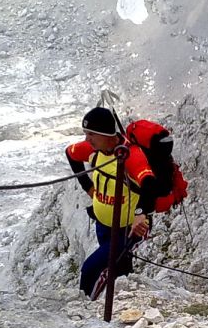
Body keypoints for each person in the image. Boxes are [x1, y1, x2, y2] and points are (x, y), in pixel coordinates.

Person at [66, 105, 157, 298]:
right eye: (85, 133)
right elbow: (70, 152)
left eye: (91, 134)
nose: (86, 139)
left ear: (107, 134)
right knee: (120, 268)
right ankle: (124, 300)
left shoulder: (130, 156)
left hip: (126, 230)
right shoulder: (95, 150)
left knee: (91, 268)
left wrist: (141, 213)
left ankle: (83, 306)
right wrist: (88, 187)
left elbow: (149, 183)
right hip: (103, 225)